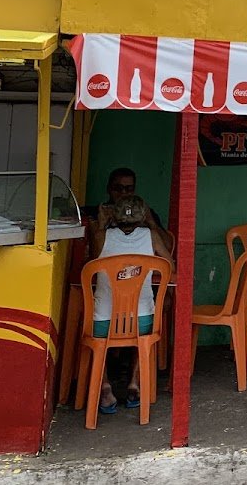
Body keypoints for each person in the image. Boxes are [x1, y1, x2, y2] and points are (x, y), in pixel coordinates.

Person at [90, 195, 173, 413]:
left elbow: (91, 265)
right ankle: (134, 383)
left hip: (103, 323)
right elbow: (169, 266)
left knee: (97, 333)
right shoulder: (151, 236)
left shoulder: (101, 237)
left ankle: (106, 386)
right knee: (142, 333)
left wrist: (100, 224)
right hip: (142, 321)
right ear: (142, 216)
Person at [85, 167, 166, 242]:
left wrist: (151, 222)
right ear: (108, 189)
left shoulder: (143, 213)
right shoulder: (96, 213)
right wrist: (100, 225)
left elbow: (168, 246)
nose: (123, 192)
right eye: (118, 188)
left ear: (134, 191)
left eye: (129, 189)